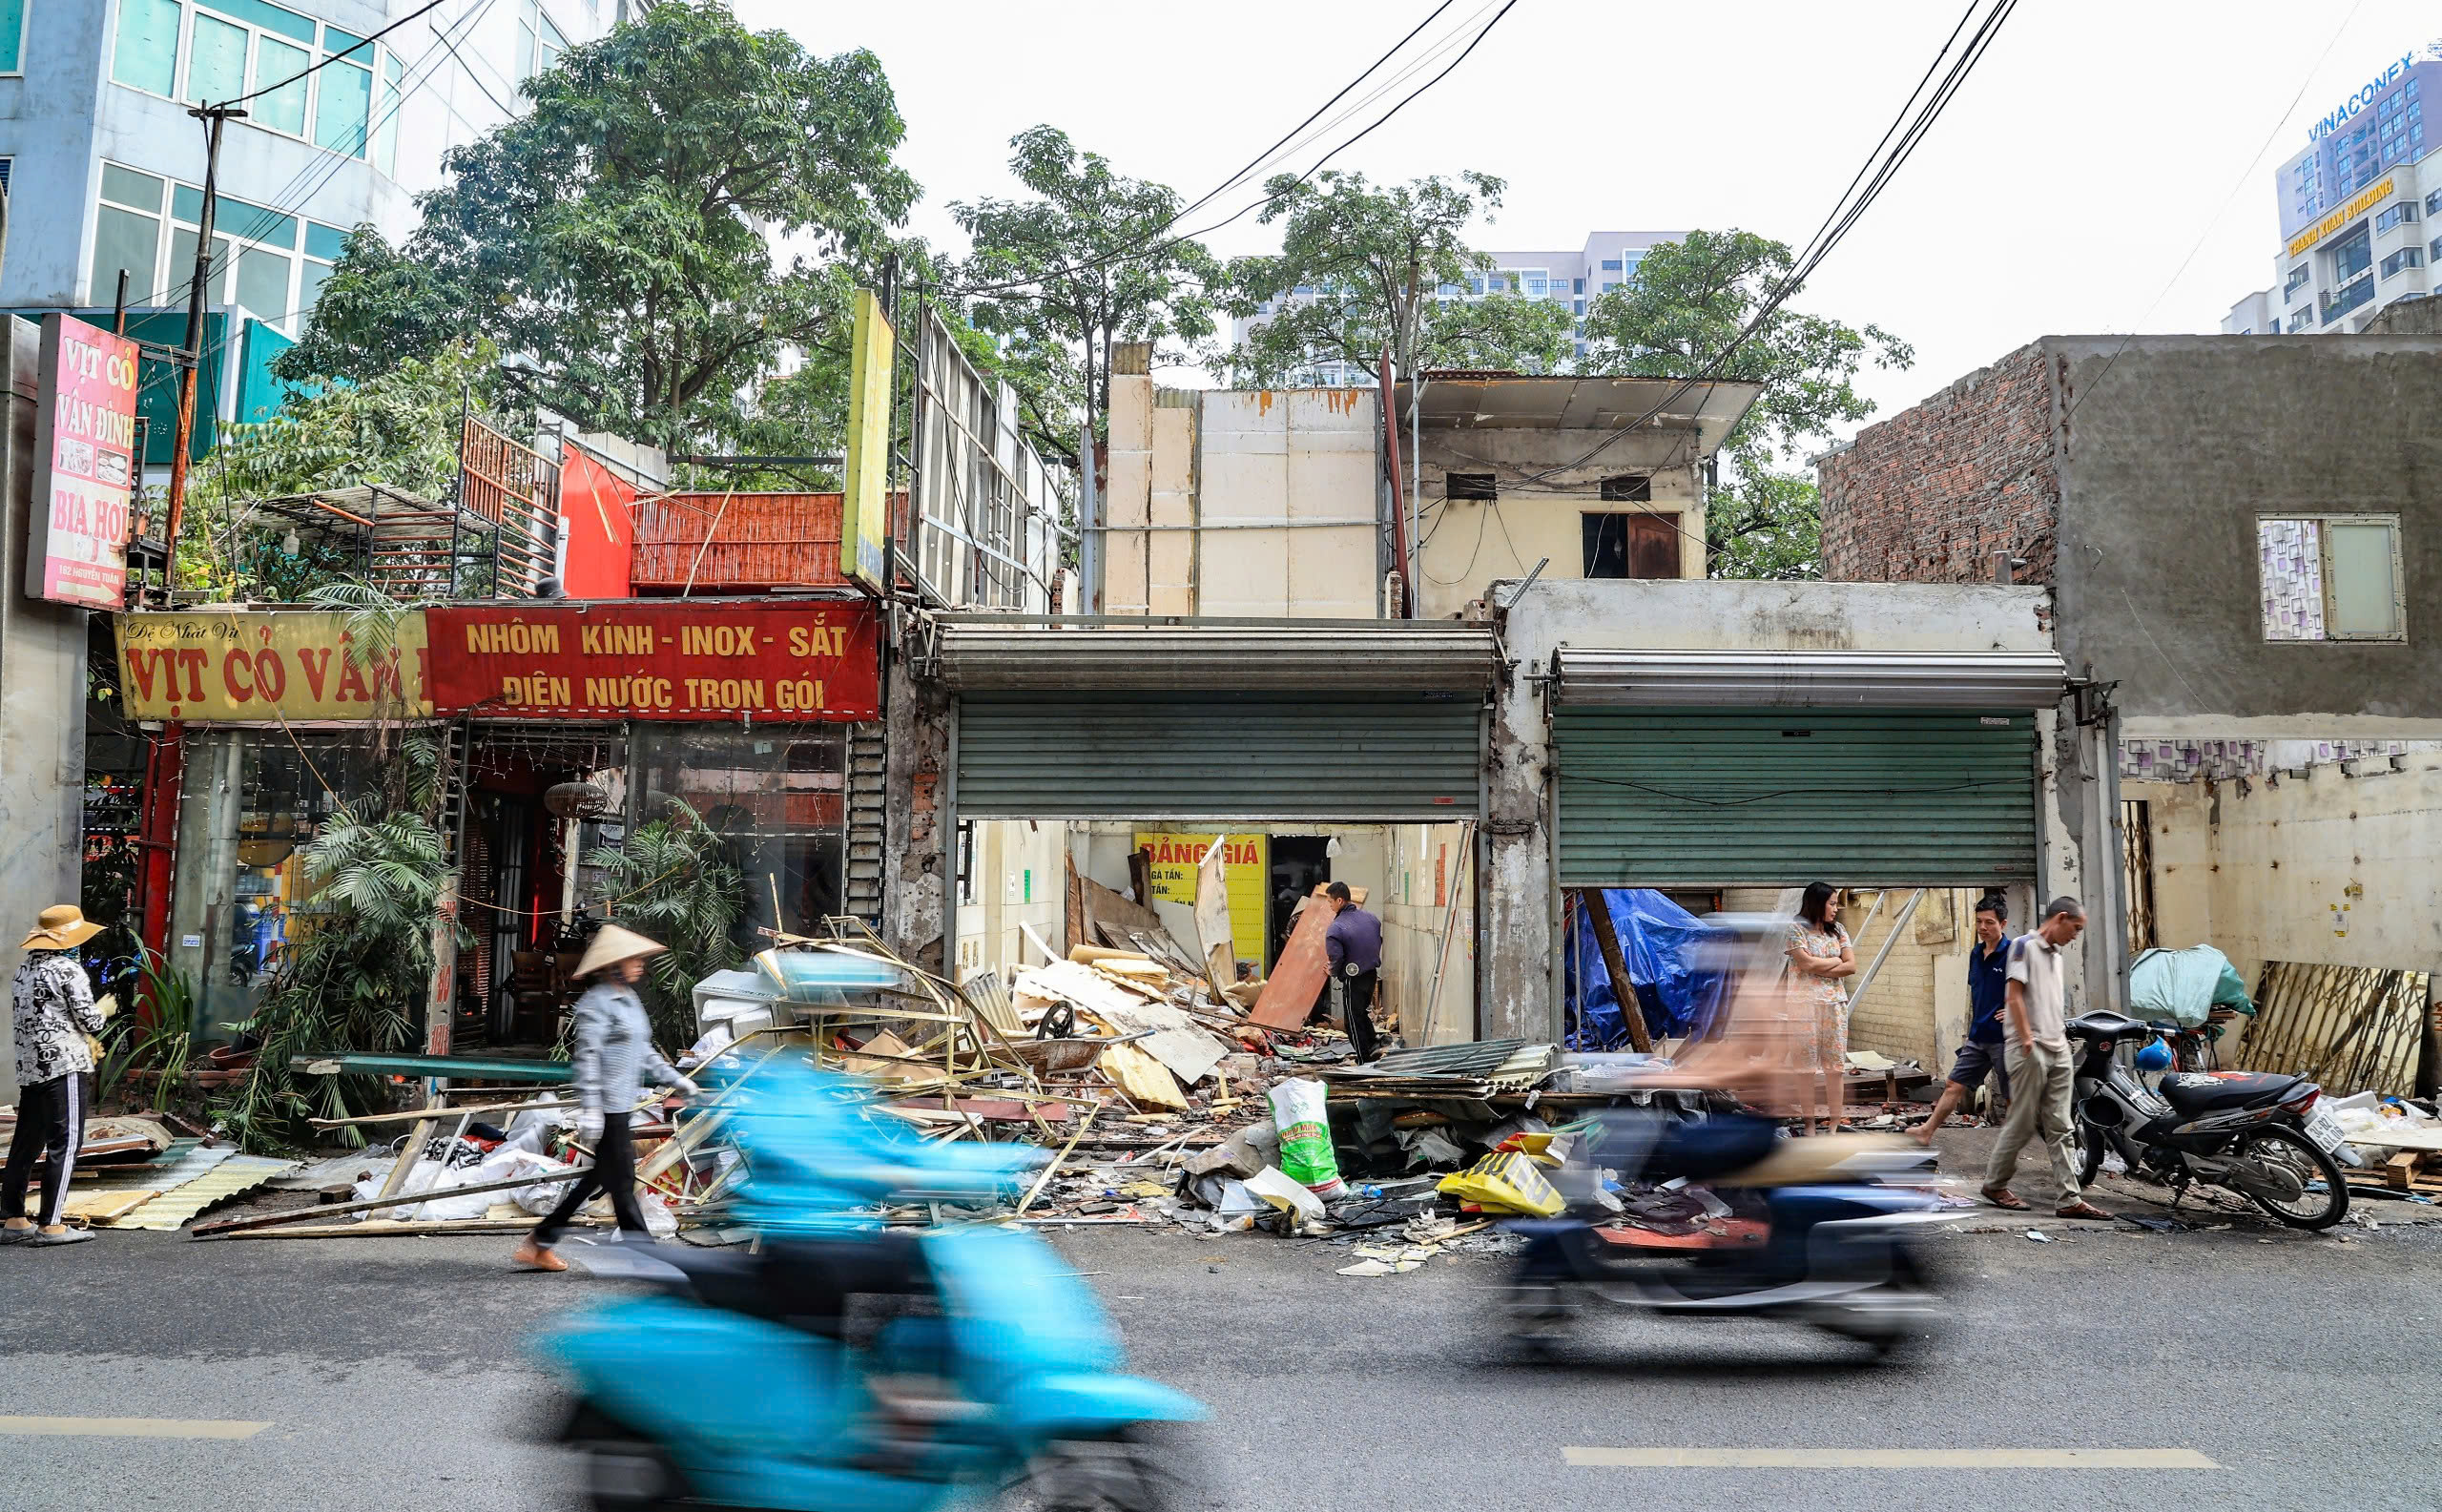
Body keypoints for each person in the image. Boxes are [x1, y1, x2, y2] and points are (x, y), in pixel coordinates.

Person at [513, 924, 699, 1272]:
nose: (641, 965)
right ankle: (644, 1255)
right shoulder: (595, 1004)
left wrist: (679, 1080)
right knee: (624, 1183)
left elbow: (644, 1052)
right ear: (614, 964)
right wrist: (593, 1109)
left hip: (622, 1105)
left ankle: (540, 1242)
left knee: (599, 1178)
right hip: (608, 1108)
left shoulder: (628, 1000)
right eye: (635, 959)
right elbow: (587, 1058)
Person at [1982, 897, 2111, 1220]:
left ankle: (2069, 1199)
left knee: (2061, 1125)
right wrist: (2026, 1040)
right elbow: (2013, 996)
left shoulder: (2055, 956)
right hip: (2030, 1049)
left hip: (2057, 1048)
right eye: (2076, 929)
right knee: (2023, 1122)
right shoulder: (2025, 946)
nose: (2075, 936)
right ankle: (1995, 1184)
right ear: (2061, 918)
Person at [5, 906, 110, 1247]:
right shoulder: (68, 969)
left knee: (26, 1144)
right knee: (66, 1143)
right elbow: (90, 1023)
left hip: (31, 1068)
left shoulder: (23, 971)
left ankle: (13, 1218)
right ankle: (51, 1224)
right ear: (69, 941)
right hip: (65, 1066)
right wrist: (104, 1010)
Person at [1915, 896, 2013, 1148]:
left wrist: (2015, 1012)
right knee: (1953, 1084)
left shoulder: (2014, 953)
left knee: (2014, 1097)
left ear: (2003, 923)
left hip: (2005, 1038)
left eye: (1989, 922)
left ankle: (2015, 1147)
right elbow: (1977, 994)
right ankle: (1926, 1131)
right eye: (1979, 921)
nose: (1983, 927)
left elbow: (2034, 989)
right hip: (1979, 1036)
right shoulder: (1976, 953)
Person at [1784, 882, 1857, 1134]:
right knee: (1805, 1069)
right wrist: (1836, 960)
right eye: (1832, 903)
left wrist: (1820, 964)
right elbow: (1804, 964)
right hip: (1802, 1005)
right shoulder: (1796, 929)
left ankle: (1835, 1123)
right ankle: (1810, 1123)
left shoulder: (1838, 931)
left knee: (1835, 1068)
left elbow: (1851, 966)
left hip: (1834, 1004)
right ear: (1817, 903)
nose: (1836, 909)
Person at [1322, 881, 1384, 1063]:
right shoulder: (1371, 918)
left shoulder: (1336, 928)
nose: (1330, 906)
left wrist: (1333, 971)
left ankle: (1363, 1059)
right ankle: (1373, 1043)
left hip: (1353, 979)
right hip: (1371, 973)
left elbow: (1336, 957)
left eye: (1330, 902)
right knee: (1361, 1012)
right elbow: (1376, 941)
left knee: (1352, 1020)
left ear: (1340, 900)